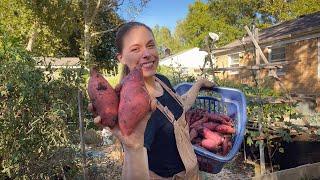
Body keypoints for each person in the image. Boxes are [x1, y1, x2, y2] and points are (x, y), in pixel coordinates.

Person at [89, 21, 214, 180]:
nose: (147, 53)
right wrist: (133, 149)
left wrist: (199, 83)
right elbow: (134, 164)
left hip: (191, 172)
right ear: (121, 58)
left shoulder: (161, 81)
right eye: (135, 49)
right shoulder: (128, 107)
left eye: (150, 45)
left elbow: (181, 104)